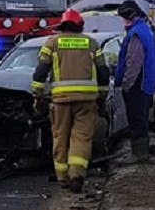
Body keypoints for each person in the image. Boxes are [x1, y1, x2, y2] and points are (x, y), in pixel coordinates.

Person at [31, 10, 110, 193]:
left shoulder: (51, 43)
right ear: (80, 25)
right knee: (81, 138)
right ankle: (77, 175)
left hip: (60, 101)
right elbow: (103, 73)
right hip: (87, 100)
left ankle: (63, 177)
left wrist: (38, 95)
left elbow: (40, 73)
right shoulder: (91, 43)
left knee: (60, 137)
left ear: (62, 25)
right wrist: (102, 96)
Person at [114, 0, 155, 164]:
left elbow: (133, 62)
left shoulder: (136, 34)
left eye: (124, 18)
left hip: (138, 84)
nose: (123, 22)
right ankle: (142, 151)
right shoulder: (144, 30)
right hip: (145, 82)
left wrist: (126, 84)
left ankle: (139, 153)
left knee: (136, 118)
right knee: (141, 118)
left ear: (131, 16)